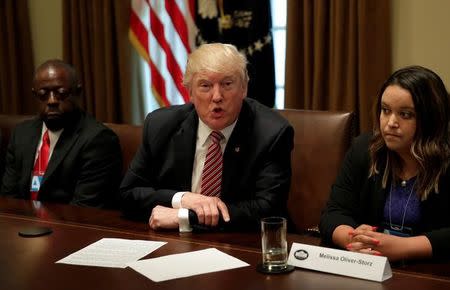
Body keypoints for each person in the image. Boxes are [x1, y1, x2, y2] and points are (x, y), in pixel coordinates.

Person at [119, 43, 293, 232]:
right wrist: (182, 199)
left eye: (227, 84)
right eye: (205, 86)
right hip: (173, 244)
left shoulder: (272, 133)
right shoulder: (160, 125)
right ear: (190, 92)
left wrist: (185, 217)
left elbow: (268, 210)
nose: (217, 96)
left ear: (244, 88)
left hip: (239, 244)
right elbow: (128, 194)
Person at [320, 65, 450, 261]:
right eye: (386, 110)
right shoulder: (364, 150)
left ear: (430, 119)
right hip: (370, 267)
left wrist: (405, 247)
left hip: (431, 274)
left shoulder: (446, 159)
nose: (390, 122)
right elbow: (333, 213)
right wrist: (353, 238)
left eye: (405, 114)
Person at [0, 59, 122, 208]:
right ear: (35, 95)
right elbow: (9, 197)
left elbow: (84, 209)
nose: (52, 100)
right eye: (43, 94)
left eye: (61, 93)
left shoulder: (98, 140)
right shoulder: (21, 133)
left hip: (69, 227)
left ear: (77, 92)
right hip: (23, 225)